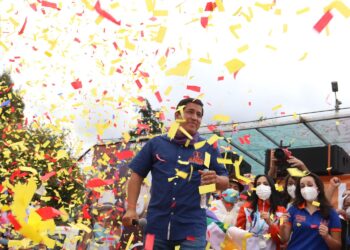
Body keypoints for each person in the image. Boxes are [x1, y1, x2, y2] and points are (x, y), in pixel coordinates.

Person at [122, 97, 229, 250]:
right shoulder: (156, 143)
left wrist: (217, 179)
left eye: (199, 115)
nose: (195, 117)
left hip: (193, 230)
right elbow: (137, 175)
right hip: (155, 228)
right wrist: (131, 208)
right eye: (190, 112)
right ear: (177, 115)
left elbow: (225, 181)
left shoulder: (208, 147)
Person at [280, 172, 342, 250]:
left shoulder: (331, 212)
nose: (306, 189)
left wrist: (327, 237)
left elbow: (337, 247)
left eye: (309, 185)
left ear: (318, 188)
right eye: (302, 186)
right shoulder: (293, 209)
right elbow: (283, 239)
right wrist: (282, 225)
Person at [236, 174, 286, 250]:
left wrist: (270, 223)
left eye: (265, 184)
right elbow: (238, 233)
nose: (261, 186)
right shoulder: (246, 207)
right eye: (258, 184)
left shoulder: (281, 211)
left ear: (271, 187)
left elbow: (281, 240)